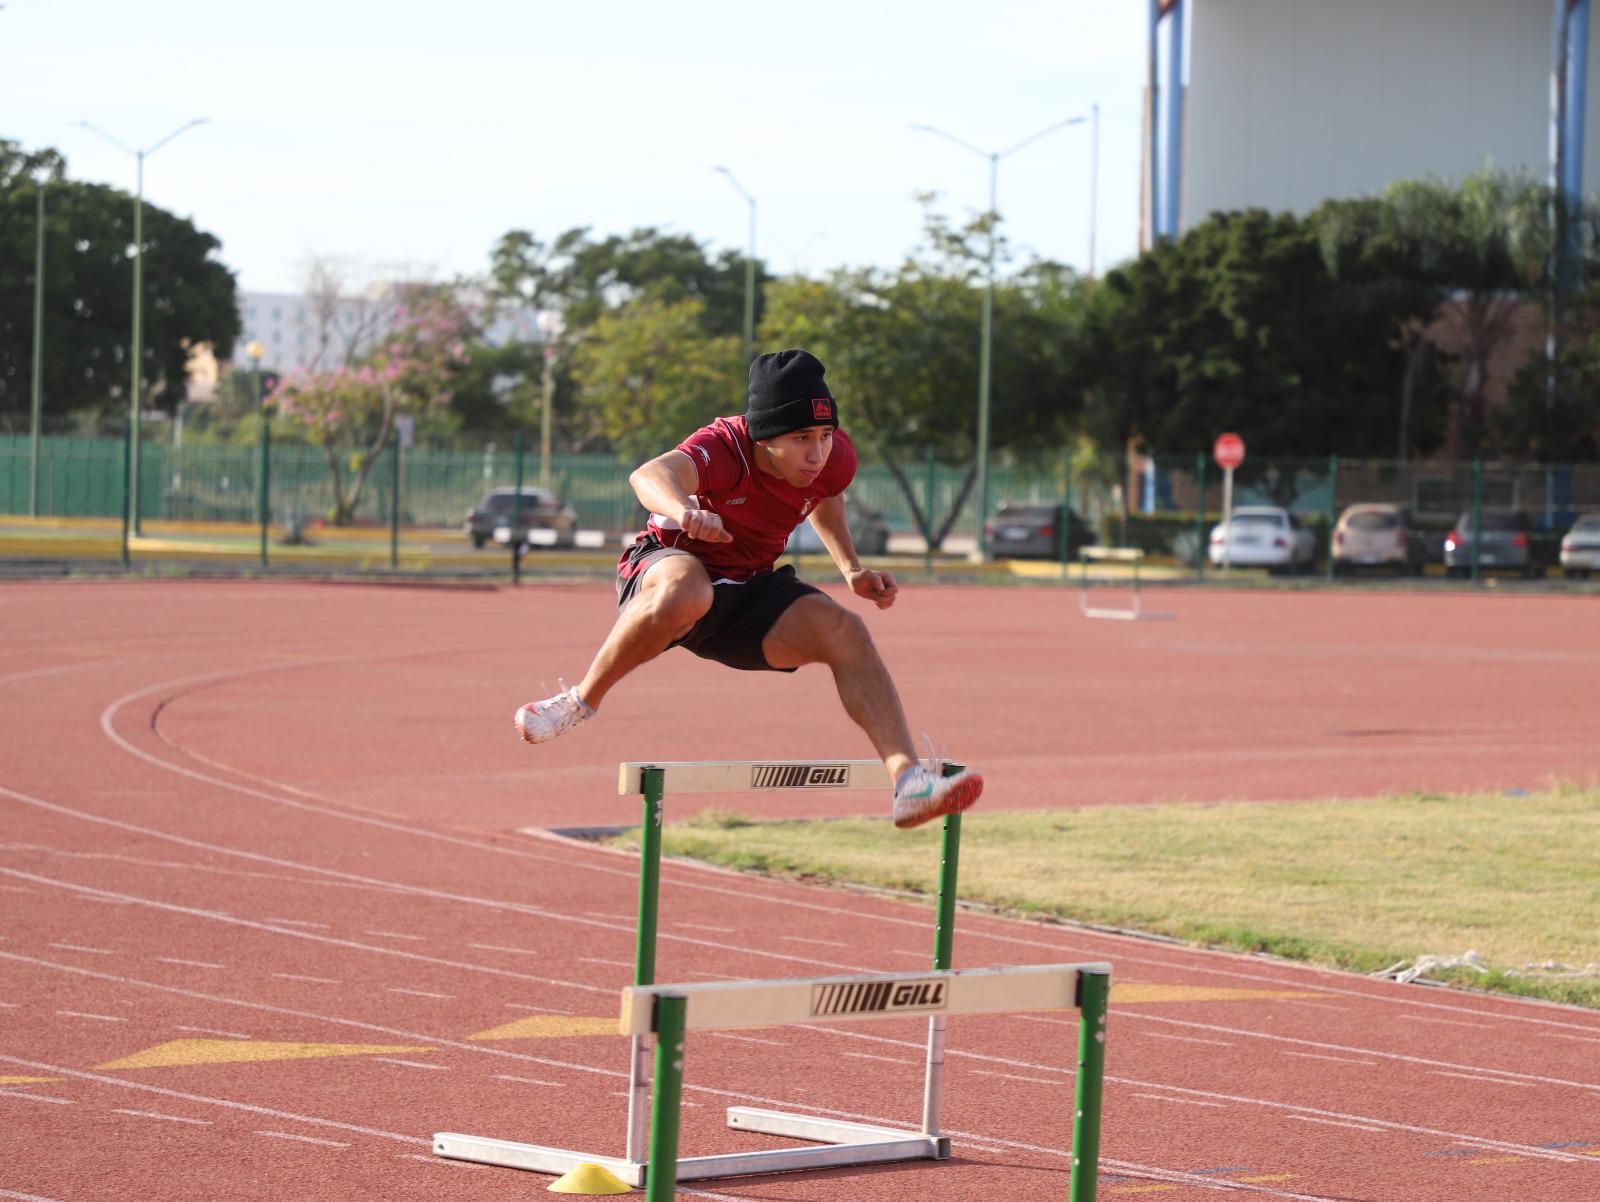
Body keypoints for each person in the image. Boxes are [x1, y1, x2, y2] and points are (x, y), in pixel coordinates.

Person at [514, 348, 982, 830]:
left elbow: (826, 498)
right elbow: (649, 474)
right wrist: (683, 510)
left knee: (848, 632)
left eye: (824, 436)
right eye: (802, 439)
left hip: (748, 587)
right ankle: (578, 701)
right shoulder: (723, 448)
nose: (817, 454)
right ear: (764, 434)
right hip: (670, 566)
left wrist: (851, 570)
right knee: (687, 591)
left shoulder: (832, 458)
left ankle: (909, 784)